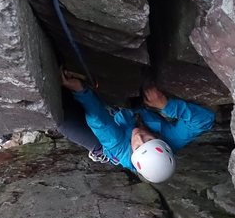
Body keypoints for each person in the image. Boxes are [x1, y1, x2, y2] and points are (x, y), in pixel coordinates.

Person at [57, 69, 215, 183]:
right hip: (134, 115)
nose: (138, 136)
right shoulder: (171, 140)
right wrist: (166, 105)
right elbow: (204, 120)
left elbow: (101, 122)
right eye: (148, 140)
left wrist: (80, 89)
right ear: (160, 138)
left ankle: (102, 154)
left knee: (65, 123)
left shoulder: (121, 148)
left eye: (138, 146)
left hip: (109, 142)